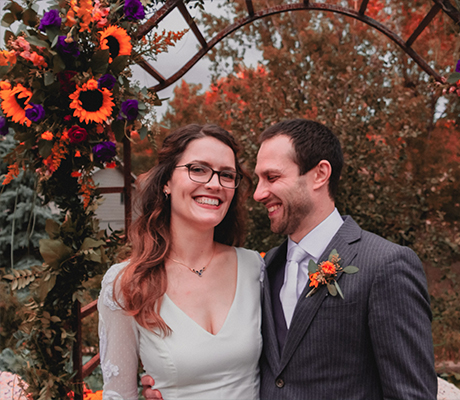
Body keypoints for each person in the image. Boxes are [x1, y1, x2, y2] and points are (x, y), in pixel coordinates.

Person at [143, 119, 437, 399]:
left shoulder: (386, 265)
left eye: (272, 177)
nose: (258, 194)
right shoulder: (263, 267)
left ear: (320, 174)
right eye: (258, 180)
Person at [98, 124, 264, 400]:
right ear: (167, 182)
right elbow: (118, 395)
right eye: (198, 169)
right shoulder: (125, 284)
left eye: (226, 175)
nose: (214, 184)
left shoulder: (254, 268)